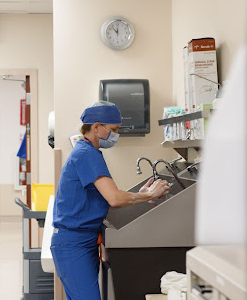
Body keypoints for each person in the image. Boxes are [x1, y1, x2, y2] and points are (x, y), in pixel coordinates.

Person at [51, 101, 170, 300]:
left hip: (82, 241)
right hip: (74, 244)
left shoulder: (89, 152)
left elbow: (102, 198)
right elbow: (114, 198)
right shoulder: (86, 154)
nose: (116, 135)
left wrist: (139, 196)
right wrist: (148, 195)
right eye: (114, 129)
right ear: (96, 127)